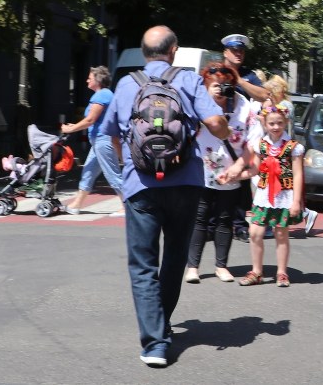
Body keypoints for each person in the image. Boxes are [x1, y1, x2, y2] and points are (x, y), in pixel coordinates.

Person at [99, 26, 231, 368]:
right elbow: (215, 121)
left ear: (144, 53)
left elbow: (110, 134)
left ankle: (155, 342)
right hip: (185, 182)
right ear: (173, 50)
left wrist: (125, 173)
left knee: (142, 264)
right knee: (174, 259)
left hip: (140, 185)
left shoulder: (127, 84)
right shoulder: (188, 81)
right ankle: (161, 327)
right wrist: (225, 131)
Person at [184, 63, 251, 284]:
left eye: (226, 85)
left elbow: (252, 144)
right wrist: (207, 100)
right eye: (216, 85)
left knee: (225, 219)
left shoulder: (243, 107)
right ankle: (192, 267)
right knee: (198, 219)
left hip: (231, 172)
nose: (221, 90)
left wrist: (239, 166)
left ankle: (221, 266)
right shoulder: (198, 104)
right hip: (201, 171)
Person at [225, 106, 304, 287]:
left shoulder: (294, 147)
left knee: (281, 234)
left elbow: (298, 175)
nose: (276, 127)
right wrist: (234, 176)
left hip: (284, 195)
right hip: (263, 196)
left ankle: (282, 272)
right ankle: (257, 271)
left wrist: (296, 202)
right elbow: (255, 170)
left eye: (279, 123)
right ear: (265, 124)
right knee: (255, 232)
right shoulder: (260, 145)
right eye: (272, 123)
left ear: (286, 123)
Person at [61, 67, 117, 215]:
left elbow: (90, 120)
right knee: (88, 173)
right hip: (98, 141)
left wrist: (70, 130)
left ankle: (129, 207)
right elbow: (91, 120)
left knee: (113, 175)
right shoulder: (102, 95)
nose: (87, 80)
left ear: (98, 80)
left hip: (102, 140)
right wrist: (75, 126)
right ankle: (76, 205)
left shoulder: (102, 95)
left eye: (89, 78)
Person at [220, 34, 270, 103]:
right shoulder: (217, 71)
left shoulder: (249, 74)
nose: (238, 54)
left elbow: (265, 95)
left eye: (241, 50)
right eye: (234, 50)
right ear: (225, 53)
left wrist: (239, 80)